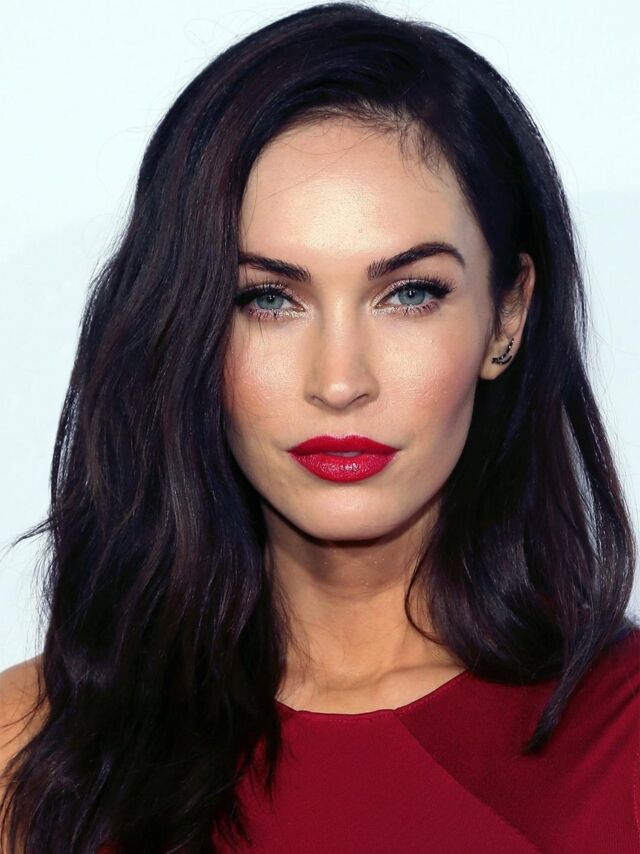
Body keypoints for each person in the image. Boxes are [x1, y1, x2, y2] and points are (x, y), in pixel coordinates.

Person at [1, 2, 638, 852]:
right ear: (186, 326)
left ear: (507, 317)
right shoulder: (31, 751)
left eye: (409, 294)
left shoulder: (623, 740)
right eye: (268, 298)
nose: (339, 382)